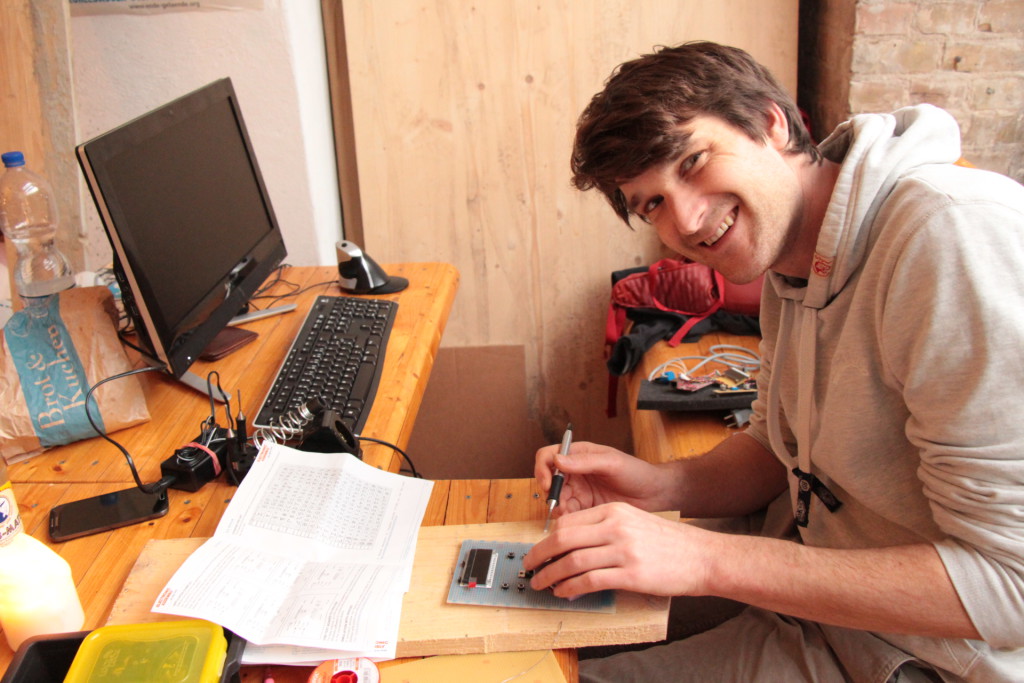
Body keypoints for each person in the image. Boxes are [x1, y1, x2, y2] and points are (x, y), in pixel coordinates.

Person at [522, 41, 1024, 682]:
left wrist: (703, 558)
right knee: (523, 621)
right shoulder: (792, 256)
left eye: (693, 161)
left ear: (770, 123)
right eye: (653, 204)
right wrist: (661, 487)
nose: (687, 221)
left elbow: (1010, 585)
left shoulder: (950, 237)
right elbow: (775, 447)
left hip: (920, 657)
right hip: (815, 602)